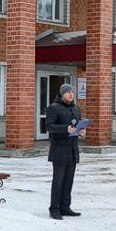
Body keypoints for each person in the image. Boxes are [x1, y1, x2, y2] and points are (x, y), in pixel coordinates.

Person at [45, 83, 85, 220]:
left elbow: (77, 124)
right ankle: (54, 208)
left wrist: (81, 131)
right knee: (58, 181)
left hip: (72, 149)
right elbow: (49, 127)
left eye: (72, 92)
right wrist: (65, 129)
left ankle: (65, 207)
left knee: (69, 180)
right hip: (59, 149)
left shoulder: (76, 108)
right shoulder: (53, 108)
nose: (71, 94)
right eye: (68, 92)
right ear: (62, 94)